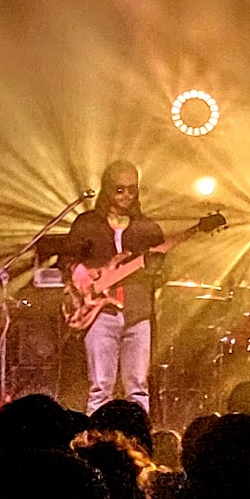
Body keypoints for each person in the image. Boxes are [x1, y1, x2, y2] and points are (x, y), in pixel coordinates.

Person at [66, 160, 168, 413]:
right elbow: (66, 258)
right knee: (101, 387)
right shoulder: (87, 223)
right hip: (100, 313)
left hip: (138, 313)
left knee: (138, 388)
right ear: (107, 189)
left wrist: (154, 272)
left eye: (132, 189)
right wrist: (81, 271)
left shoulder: (148, 228)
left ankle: (138, 435)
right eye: (119, 190)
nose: (126, 196)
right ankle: (95, 436)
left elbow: (163, 272)